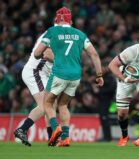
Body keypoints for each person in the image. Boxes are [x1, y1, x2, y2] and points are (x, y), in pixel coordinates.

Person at [34, 7, 104, 146]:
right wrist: (99, 75)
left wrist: (45, 54)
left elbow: (37, 53)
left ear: (56, 19)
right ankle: (65, 138)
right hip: (75, 75)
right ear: (70, 20)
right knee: (63, 104)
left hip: (59, 72)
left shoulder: (52, 32)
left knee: (47, 103)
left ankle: (56, 128)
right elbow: (94, 54)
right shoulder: (80, 34)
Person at [13, 33, 71, 147]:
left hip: (40, 73)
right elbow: (47, 54)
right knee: (46, 105)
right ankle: (22, 129)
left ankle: (51, 139)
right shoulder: (54, 35)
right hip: (35, 72)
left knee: (51, 104)